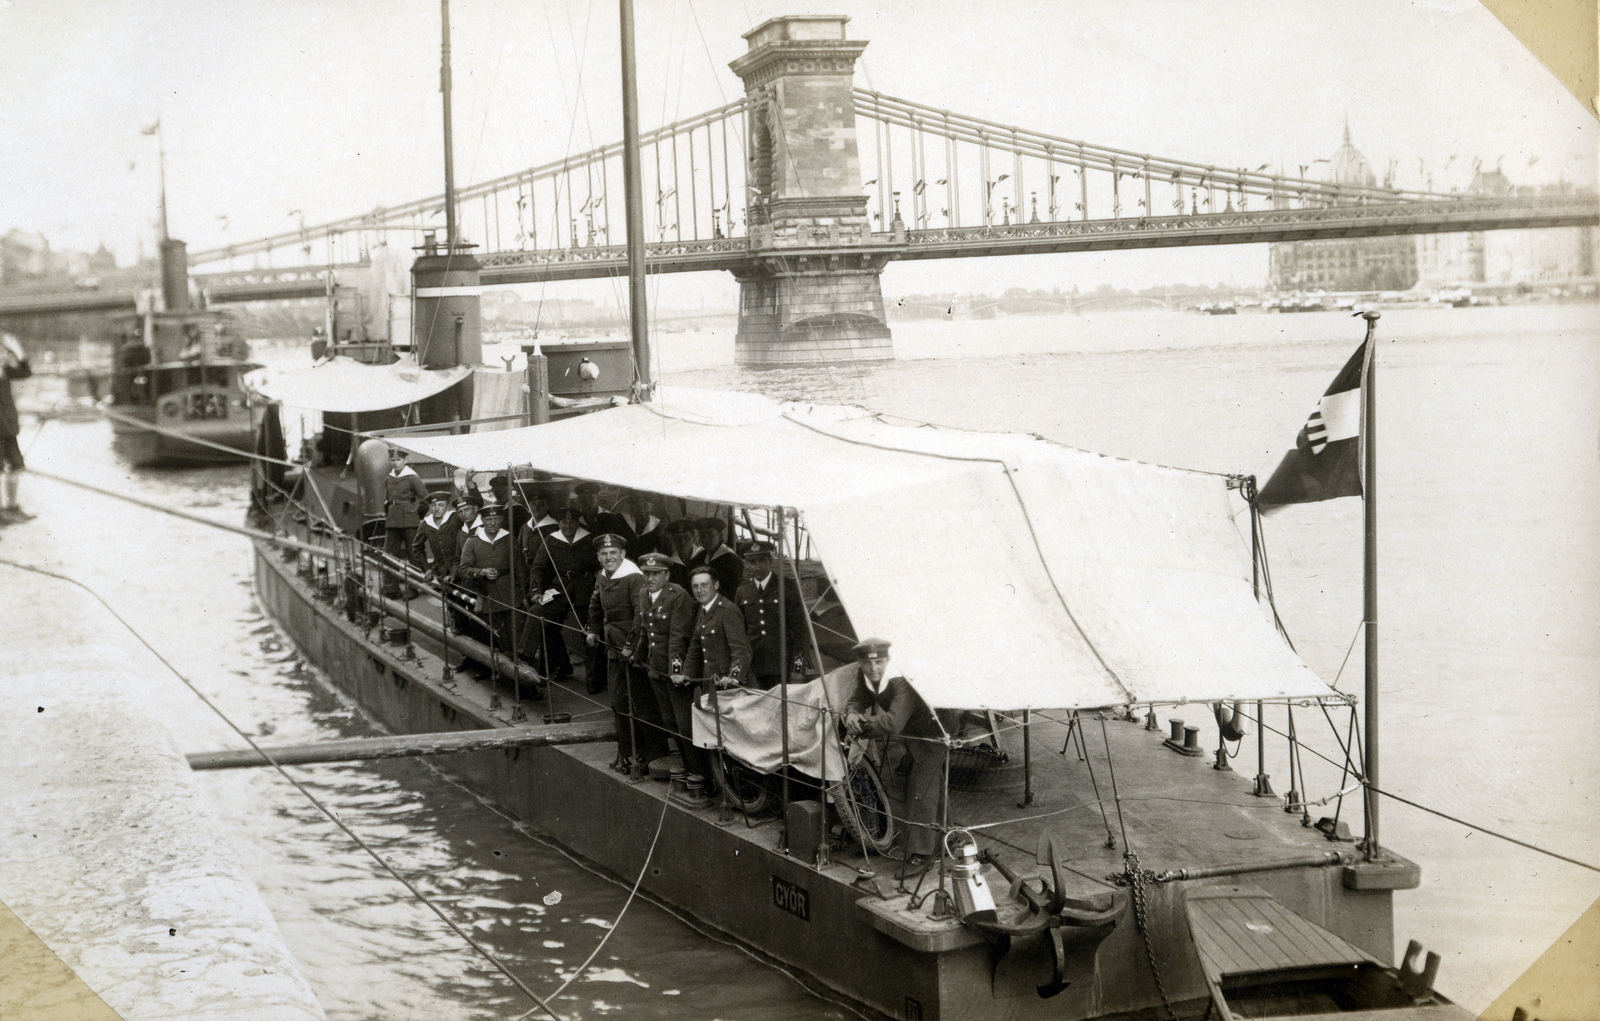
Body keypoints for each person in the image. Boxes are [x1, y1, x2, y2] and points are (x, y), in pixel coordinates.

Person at [837, 638, 950, 866]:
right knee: (931, 783)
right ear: (860, 663)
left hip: (935, 729)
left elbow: (893, 724)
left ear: (888, 660)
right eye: (867, 664)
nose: (873, 668)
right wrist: (851, 714)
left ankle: (922, 853)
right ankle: (947, 840)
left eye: (879, 662)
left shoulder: (900, 682)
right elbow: (858, 698)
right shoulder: (867, 676)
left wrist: (861, 727)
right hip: (915, 730)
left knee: (921, 785)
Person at [586, 534, 667, 773]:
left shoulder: (633, 577)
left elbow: (640, 615)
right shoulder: (602, 576)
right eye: (604, 554)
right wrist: (593, 630)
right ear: (598, 557)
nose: (608, 558)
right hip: (613, 648)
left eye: (613, 553)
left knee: (642, 702)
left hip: (633, 648)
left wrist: (632, 646)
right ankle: (630, 752)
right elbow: (594, 604)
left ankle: (654, 755)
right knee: (619, 701)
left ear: (622, 554)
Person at [629, 552, 699, 781]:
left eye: (655, 574)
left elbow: (678, 638)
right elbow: (644, 631)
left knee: (684, 724)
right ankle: (688, 767)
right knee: (670, 721)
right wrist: (637, 655)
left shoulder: (678, 596)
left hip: (673, 672)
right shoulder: (644, 594)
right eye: (646, 573)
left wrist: (676, 673)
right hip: (655, 669)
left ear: (666, 574)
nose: (650, 578)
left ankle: (698, 772)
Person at [529, 507, 597, 688]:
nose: (568, 525)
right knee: (544, 620)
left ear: (577, 522)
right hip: (560, 590)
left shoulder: (588, 539)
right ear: (559, 523)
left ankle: (593, 678)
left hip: (585, 590)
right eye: (564, 522)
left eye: (572, 521)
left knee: (589, 631)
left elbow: (598, 566)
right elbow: (537, 567)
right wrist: (536, 591)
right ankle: (560, 665)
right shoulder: (551, 540)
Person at [734, 541, 809, 690]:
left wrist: (797, 668)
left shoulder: (787, 587)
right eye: (752, 562)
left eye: (762, 560)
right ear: (747, 564)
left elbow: (801, 632)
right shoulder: (742, 591)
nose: (758, 566)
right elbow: (738, 634)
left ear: (770, 560)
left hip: (782, 666)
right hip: (753, 667)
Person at [457, 502, 522, 663]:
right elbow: (463, 569)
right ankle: (505, 668)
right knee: (498, 635)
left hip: (511, 594)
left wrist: (525, 594)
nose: (492, 523)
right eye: (488, 519)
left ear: (501, 520)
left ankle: (521, 666)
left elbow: (520, 568)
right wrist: (481, 572)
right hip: (488, 595)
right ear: (483, 520)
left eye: (496, 519)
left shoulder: (509, 539)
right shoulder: (472, 542)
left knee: (517, 634)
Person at [382, 446, 429, 596]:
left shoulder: (412, 478)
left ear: (405, 460)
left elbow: (426, 499)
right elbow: (387, 500)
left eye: (398, 459)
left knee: (413, 555)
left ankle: (413, 588)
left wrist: (417, 513)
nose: (395, 463)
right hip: (393, 519)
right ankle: (391, 588)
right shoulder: (388, 478)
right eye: (393, 460)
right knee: (389, 554)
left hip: (410, 519)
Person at [0, 333, 33, 525]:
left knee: (17, 467)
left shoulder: (4, 372)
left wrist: (18, 349)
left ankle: (10, 508)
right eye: (2, 352)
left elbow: (25, 372)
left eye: (5, 352)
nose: (5, 356)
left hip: (8, 430)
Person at [412, 490, 464, 583]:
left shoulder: (456, 518)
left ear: (447, 506)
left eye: (441, 505)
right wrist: (426, 568)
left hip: (461, 569)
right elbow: (416, 548)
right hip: (441, 572)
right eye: (433, 505)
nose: (436, 509)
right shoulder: (426, 524)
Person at [699, 517, 744, 597]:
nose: (706, 540)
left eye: (711, 535)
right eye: (702, 536)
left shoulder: (731, 560)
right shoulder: (701, 556)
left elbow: (734, 592)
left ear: (720, 536)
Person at [664, 519, 701, 591]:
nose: (682, 542)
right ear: (673, 540)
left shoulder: (703, 556)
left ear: (693, 536)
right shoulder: (670, 564)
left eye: (686, 537)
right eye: (678, 539)